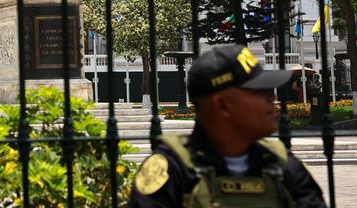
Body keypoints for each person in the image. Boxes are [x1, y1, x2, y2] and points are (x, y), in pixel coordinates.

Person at [128, 44, 326, 207]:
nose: (271, 97)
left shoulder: (283, 165)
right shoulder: (173, 170)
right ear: (222, 105)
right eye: (257, 91)